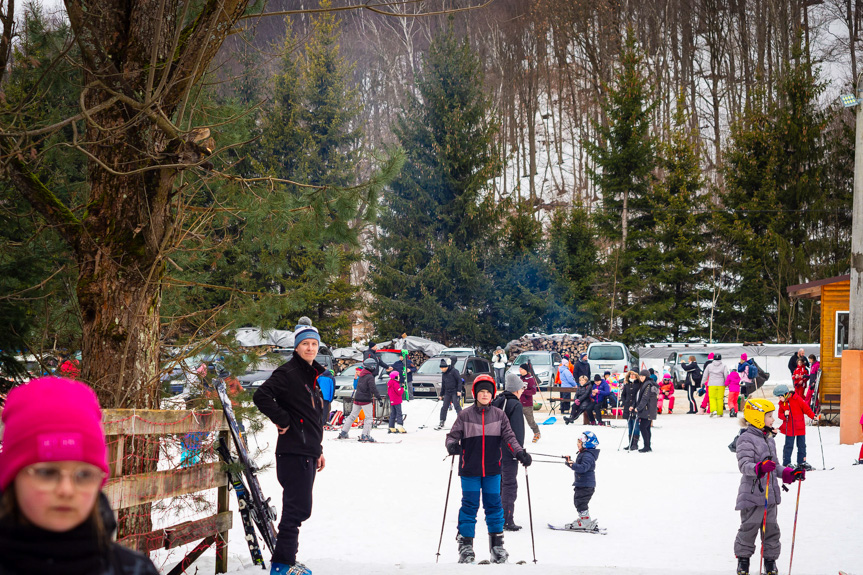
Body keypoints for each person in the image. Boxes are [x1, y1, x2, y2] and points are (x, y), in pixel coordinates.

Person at [0, 377, 160, 575]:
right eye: (46, 472)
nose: (66, 490)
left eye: (84, 474)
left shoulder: (135, 570)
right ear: (11, 477)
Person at [253, 322, 326, 575]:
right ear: (296, 347)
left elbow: (311, 417)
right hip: (293, 453)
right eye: (305, 344)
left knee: (300, 509)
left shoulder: (311, 376)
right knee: (295, 510)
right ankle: (282, 566)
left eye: (314, 344)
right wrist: (282, 420)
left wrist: (318, 449)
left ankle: (287, 561)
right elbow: (261, 396)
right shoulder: (288, 372)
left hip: (306, 452)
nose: (310, 348)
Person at [445, 375, 531, 564]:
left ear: (492, 395)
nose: (485, 395)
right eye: (482, 391)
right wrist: (452, 446)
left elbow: (510, 437)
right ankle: (466, 547)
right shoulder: (465, 415)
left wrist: (520, 453)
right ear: (475, 393)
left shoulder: (499, 416)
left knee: (494, 507)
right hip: (470, 470)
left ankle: (497, 547)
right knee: (469, 507)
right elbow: (451, 436)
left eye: (488, 392)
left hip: (493, 470)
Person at [734, 398, 805, 575]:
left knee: (772, 530)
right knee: (749, 529)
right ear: (757, 417)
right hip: (752, 495)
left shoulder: (769, 439)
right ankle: (743, 561)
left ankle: (770, 562)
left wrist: (789, 473)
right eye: (770, 416)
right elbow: (744, 466)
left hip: (770, 495)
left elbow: (775, 466)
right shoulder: (745, 439)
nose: (773, 420)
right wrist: (759, 467)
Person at [492, 373, 527, 531]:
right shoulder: (515, 404)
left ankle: (495, 515)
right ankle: (507, 519)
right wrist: (519, 452)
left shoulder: (497, 401)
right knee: (509, 485)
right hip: (509, 452)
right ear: (516, 389)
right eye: (521, 388)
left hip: (493, 450)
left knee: (497, 483)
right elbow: (517, 431)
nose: (522, 391)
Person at [773, 384, 818, 470]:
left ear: (785, 394)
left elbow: (806, 409)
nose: (779, 399)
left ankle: (802, 462)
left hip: (799, 426)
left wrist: (813, 416)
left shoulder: (797, 399)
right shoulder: (782, 404)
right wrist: (784, 415)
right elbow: (779, 415)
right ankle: (786, 463)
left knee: (801, 445)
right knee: (788, 446)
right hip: (789, 428)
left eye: (780, 397)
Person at [563, 430, 601, 531]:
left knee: (581, 502)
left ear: (586, 444)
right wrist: (570, 463)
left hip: (586, 485)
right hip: (583, 484)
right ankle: (584, 519)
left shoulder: (588, 455)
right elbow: (579, 466)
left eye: (579, 443)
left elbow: (583, 468)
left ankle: (585, 521)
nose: (577, 444)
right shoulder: (585, 453)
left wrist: (573, 465)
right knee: (579, 501)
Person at [338, 357, 382, 442]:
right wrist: (379, 398)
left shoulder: (361, 375)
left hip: (357, 398)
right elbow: (373, 388)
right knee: (368, 418)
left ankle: (343, 432)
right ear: (371, 367)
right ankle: (365, 435)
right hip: (365, 400)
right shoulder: (369, 376)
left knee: (352, 416)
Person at [635, 370, 659, 452]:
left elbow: (645, 398)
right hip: (648, 409)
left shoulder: (647, 384)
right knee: (647, 428)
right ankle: (648, 446)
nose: (641, 377)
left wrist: (638, 408)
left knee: (643, 427)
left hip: (647, 409)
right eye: (640, 376)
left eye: (642, 376)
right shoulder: (645, 384)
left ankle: (646, 446)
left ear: (646, 377)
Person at [436, 357, 463, 430]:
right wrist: (441, 395)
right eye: (441, 368)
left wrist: (459, 390)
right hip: (447, 392)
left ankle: (461, 421)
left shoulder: (454, 371)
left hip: (455, 391)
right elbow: (443, 385)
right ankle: (442, 421)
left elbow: (459, 381)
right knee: (444, 407)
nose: (442, 369)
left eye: (443, 368)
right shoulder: (444, 374)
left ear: (446, 367)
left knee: (457, 406)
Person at [518, 364, 541, 443]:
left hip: (527, 404)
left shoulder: (530, 379)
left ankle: (537, 433)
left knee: (530, 421)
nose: (519, 370)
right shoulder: (519, 378)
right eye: (519, 369)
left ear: (525, 370)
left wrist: (524, 391)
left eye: (521, 369)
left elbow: (533, 391)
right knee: (517, 421)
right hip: (519, 403)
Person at [621, 370, 642, 450]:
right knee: (629, 425)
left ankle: (635, 443)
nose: (632, 376)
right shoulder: (627, 385)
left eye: (633, 374)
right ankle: (630, 443)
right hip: (627, 406)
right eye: (630, 374)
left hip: (635, 407)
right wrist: (624, 401)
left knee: (635, 425)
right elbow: (623, 395)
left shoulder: (638, 385)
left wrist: (634, 405)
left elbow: (638, 397)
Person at [703, 353, 729, 417]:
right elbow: (726, 375)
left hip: (711, 384)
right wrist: (726, 383)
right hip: (721, 384)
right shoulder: (724, 366)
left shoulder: (709, 366)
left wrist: (702, 382)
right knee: (720, 398)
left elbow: (705, 375)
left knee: (712, 398)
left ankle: (713, 411)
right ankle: (720, 413)